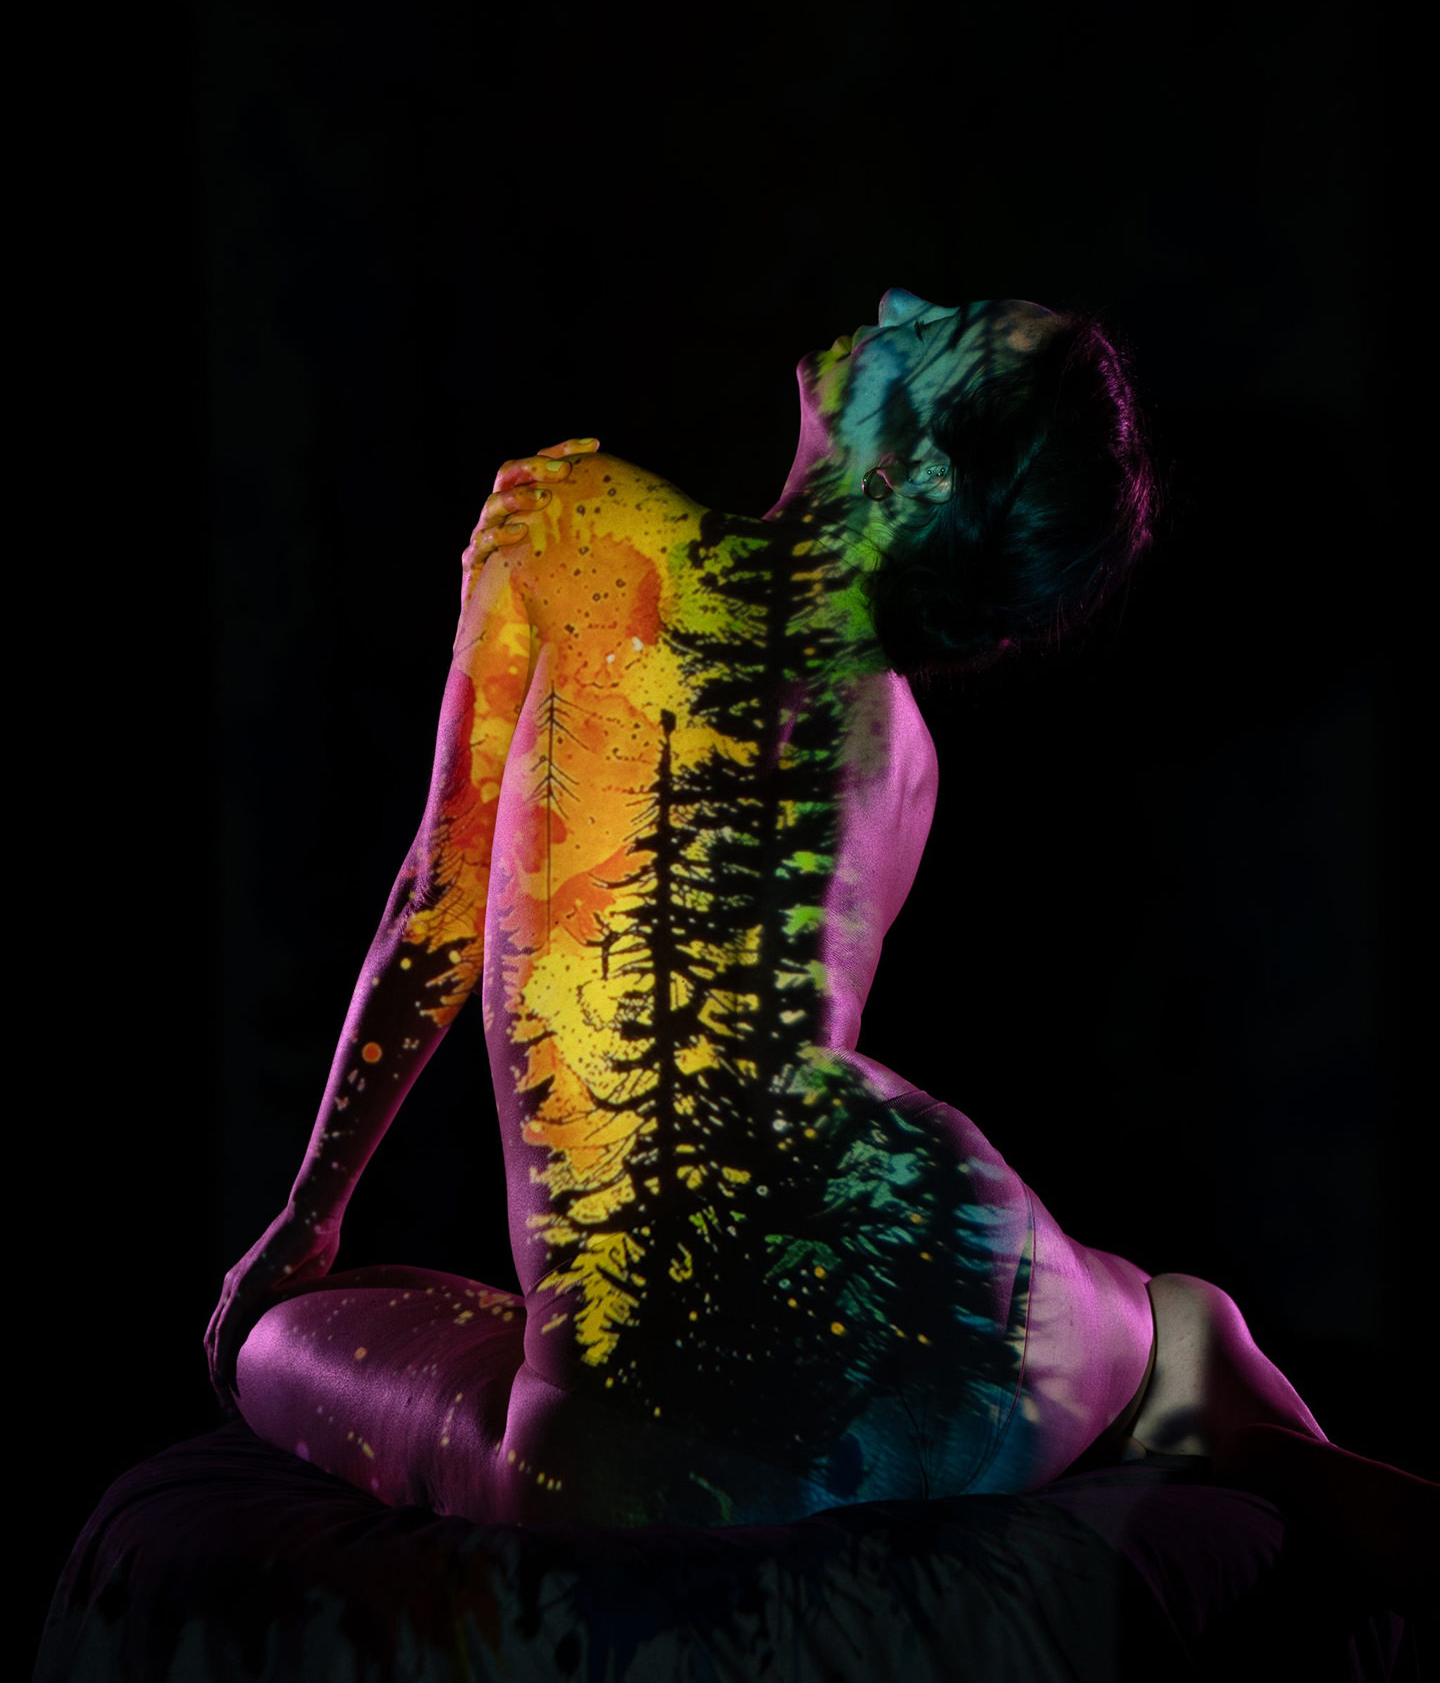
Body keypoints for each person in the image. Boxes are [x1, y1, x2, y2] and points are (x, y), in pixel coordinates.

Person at [206, 292, 1431, 1587]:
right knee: (1150, 1324)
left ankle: (1174, 1352)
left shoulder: (576, 518)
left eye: (941, 331)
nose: (900, 302)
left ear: (918, 474)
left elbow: (439, 893)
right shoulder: (903, 751)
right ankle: (1182, 1360)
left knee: (270, 1340)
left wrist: (309, 1213)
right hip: (968, 1311)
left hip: (644, 1426)